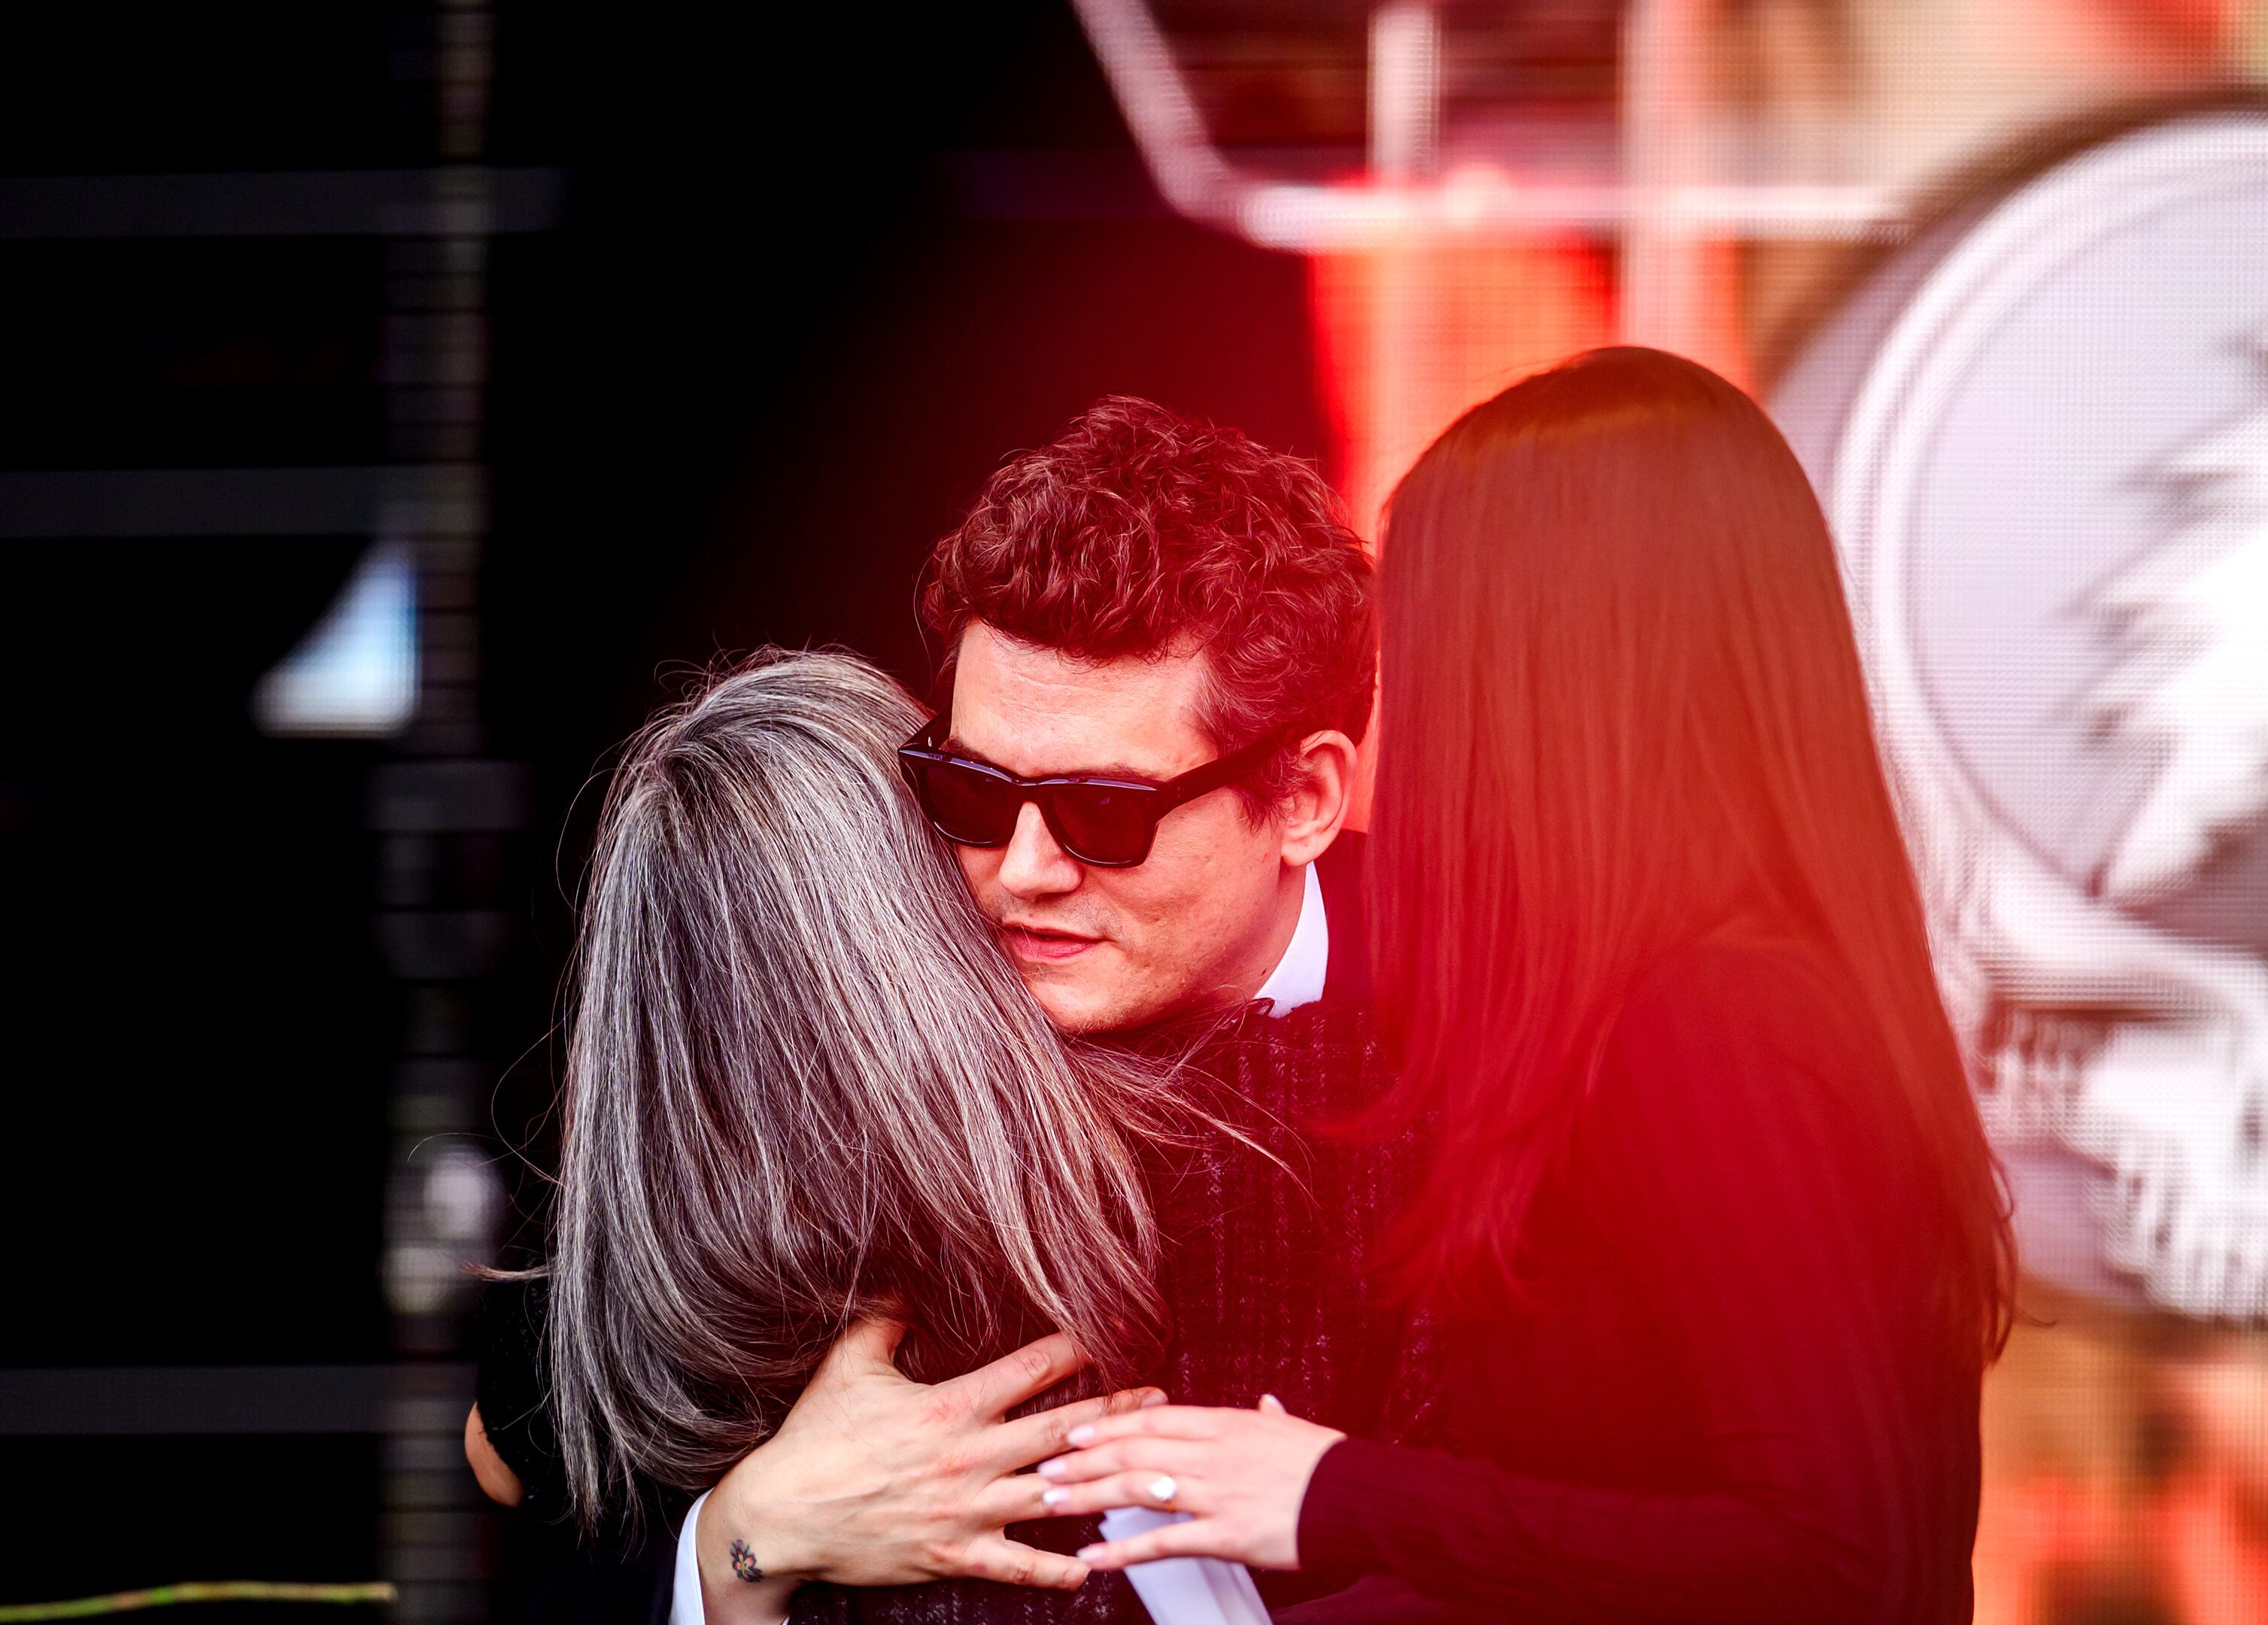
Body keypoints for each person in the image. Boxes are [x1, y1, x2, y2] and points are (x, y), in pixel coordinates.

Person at [1028, 348, 2016, 1623]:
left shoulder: (1716, 1025)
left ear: (1542, 666)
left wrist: (1335, 1493)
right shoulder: (1687, 998)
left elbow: (1843, 1569)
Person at [471, 399, 1422, 1625]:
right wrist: (751, 1540)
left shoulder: (1503, 1003)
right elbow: (523, 1442)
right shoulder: (885, 1026)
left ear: (1304, 797)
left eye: (1104, 813)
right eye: (971, 788)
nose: (1020, 872)